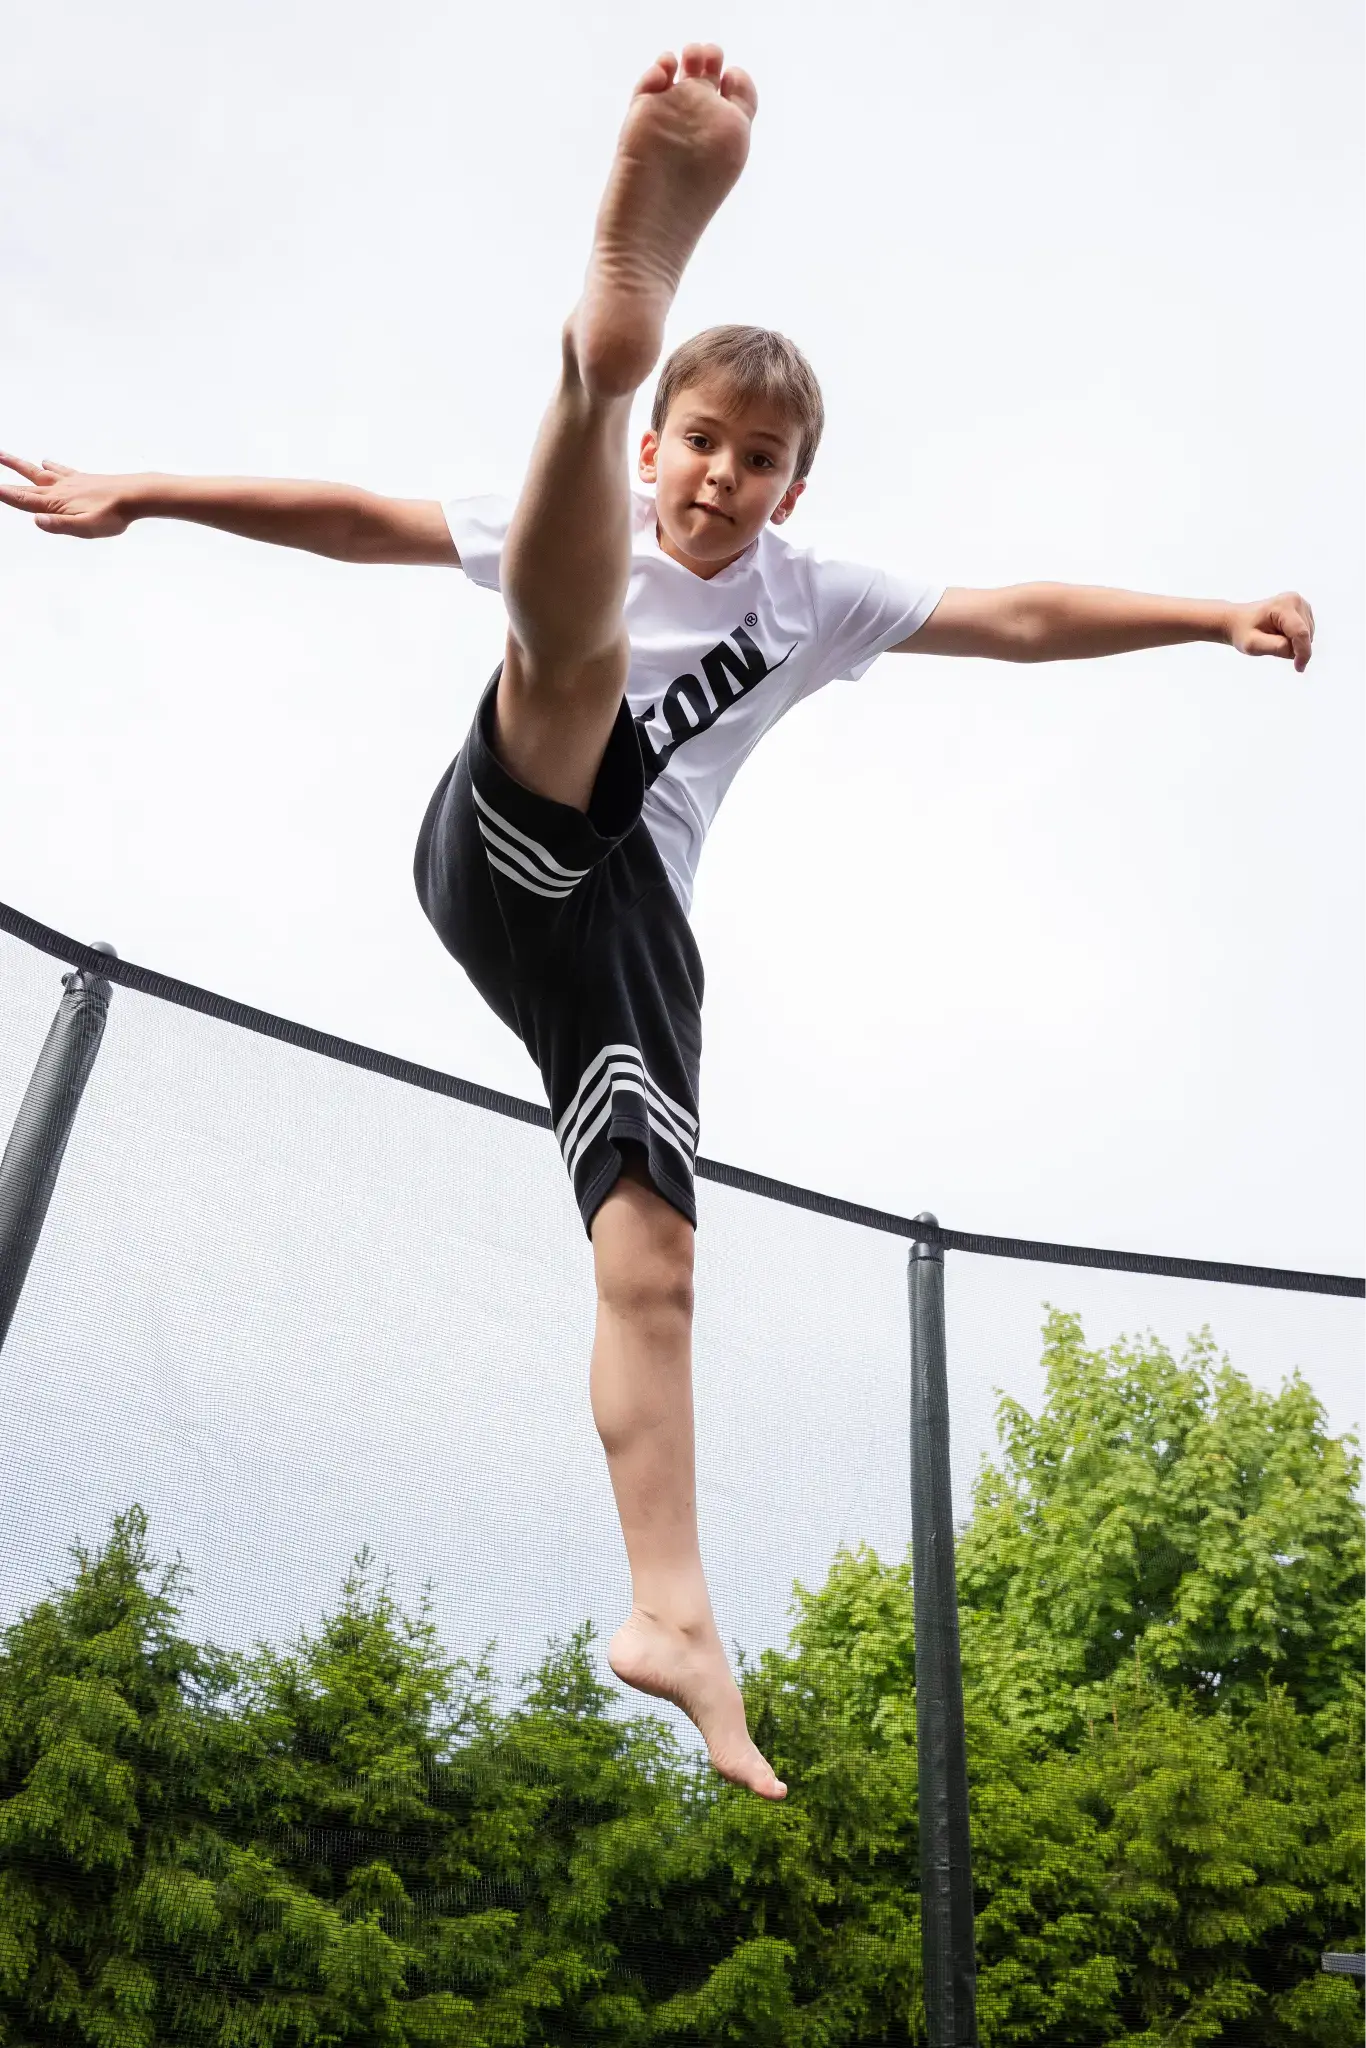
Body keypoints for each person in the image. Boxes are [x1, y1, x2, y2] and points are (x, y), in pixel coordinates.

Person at [0, 43, 1315, 1802]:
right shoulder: (613, 514)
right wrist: (142, 491)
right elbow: (351, 518)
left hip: (628, 940)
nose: (716, 482)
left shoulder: (815, 593)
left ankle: (674, 1617)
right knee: (575, 663)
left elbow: (1015, 613)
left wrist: (1210, 611)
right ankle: (587, 343)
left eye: (754, 461)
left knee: (654, 1254)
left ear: (792, 487)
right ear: (656, 442)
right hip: (509, 829)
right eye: (696, 443)